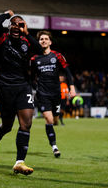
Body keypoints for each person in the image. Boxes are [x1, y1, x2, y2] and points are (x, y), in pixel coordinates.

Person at [0, 10, 43, 175]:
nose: (17, 27)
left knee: (26, 124)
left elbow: (39, 50)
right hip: (5, 87)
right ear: (9, 26)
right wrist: (8, 14)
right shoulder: (1, 39)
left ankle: (19, 162)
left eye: (20, 24)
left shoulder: (27, 42)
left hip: (23, 87)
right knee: (7, 126)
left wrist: (28, 32)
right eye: (14, 24)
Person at [30, 30, 76, 158]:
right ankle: (54, 147)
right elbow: (31, 77)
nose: (43, 41)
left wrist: (72, 88)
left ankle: (52, 130)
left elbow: (68, 72)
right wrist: (34, 88)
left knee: (55, 120)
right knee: (49, 119)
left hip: (56, 94)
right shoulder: (34, 59)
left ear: (50, 41)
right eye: (41, 39)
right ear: (38, 42)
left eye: (45, 39)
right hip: (42, 94)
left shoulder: (57, 56)